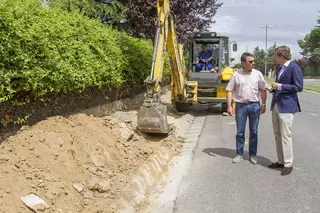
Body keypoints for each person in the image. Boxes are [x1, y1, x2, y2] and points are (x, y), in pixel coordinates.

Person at [266, 45, 303, 176]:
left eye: (276, 55)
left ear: (282, 55)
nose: (274, 58)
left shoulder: (294, 68)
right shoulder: (280, 68)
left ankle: (288, 163)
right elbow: (278, 86)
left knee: (286, 135)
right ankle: (281, 160)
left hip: (287, 106)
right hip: (276, 104)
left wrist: (280, 86)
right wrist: (272, 88)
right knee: (277, 134)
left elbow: (298, 87)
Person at [226, 52, 267, 164]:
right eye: (250, 61)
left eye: (253, 61)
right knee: (240, 132)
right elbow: (229, 90)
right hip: (241, 106)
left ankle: (253, 155)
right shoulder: (236, 75)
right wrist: (229, 106)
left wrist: (263, 104)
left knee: (254, 132)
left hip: (254, 106)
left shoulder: (258, 74)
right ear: (243, 63)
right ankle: (239, 154)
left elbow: (263, 89)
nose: (253, 63)